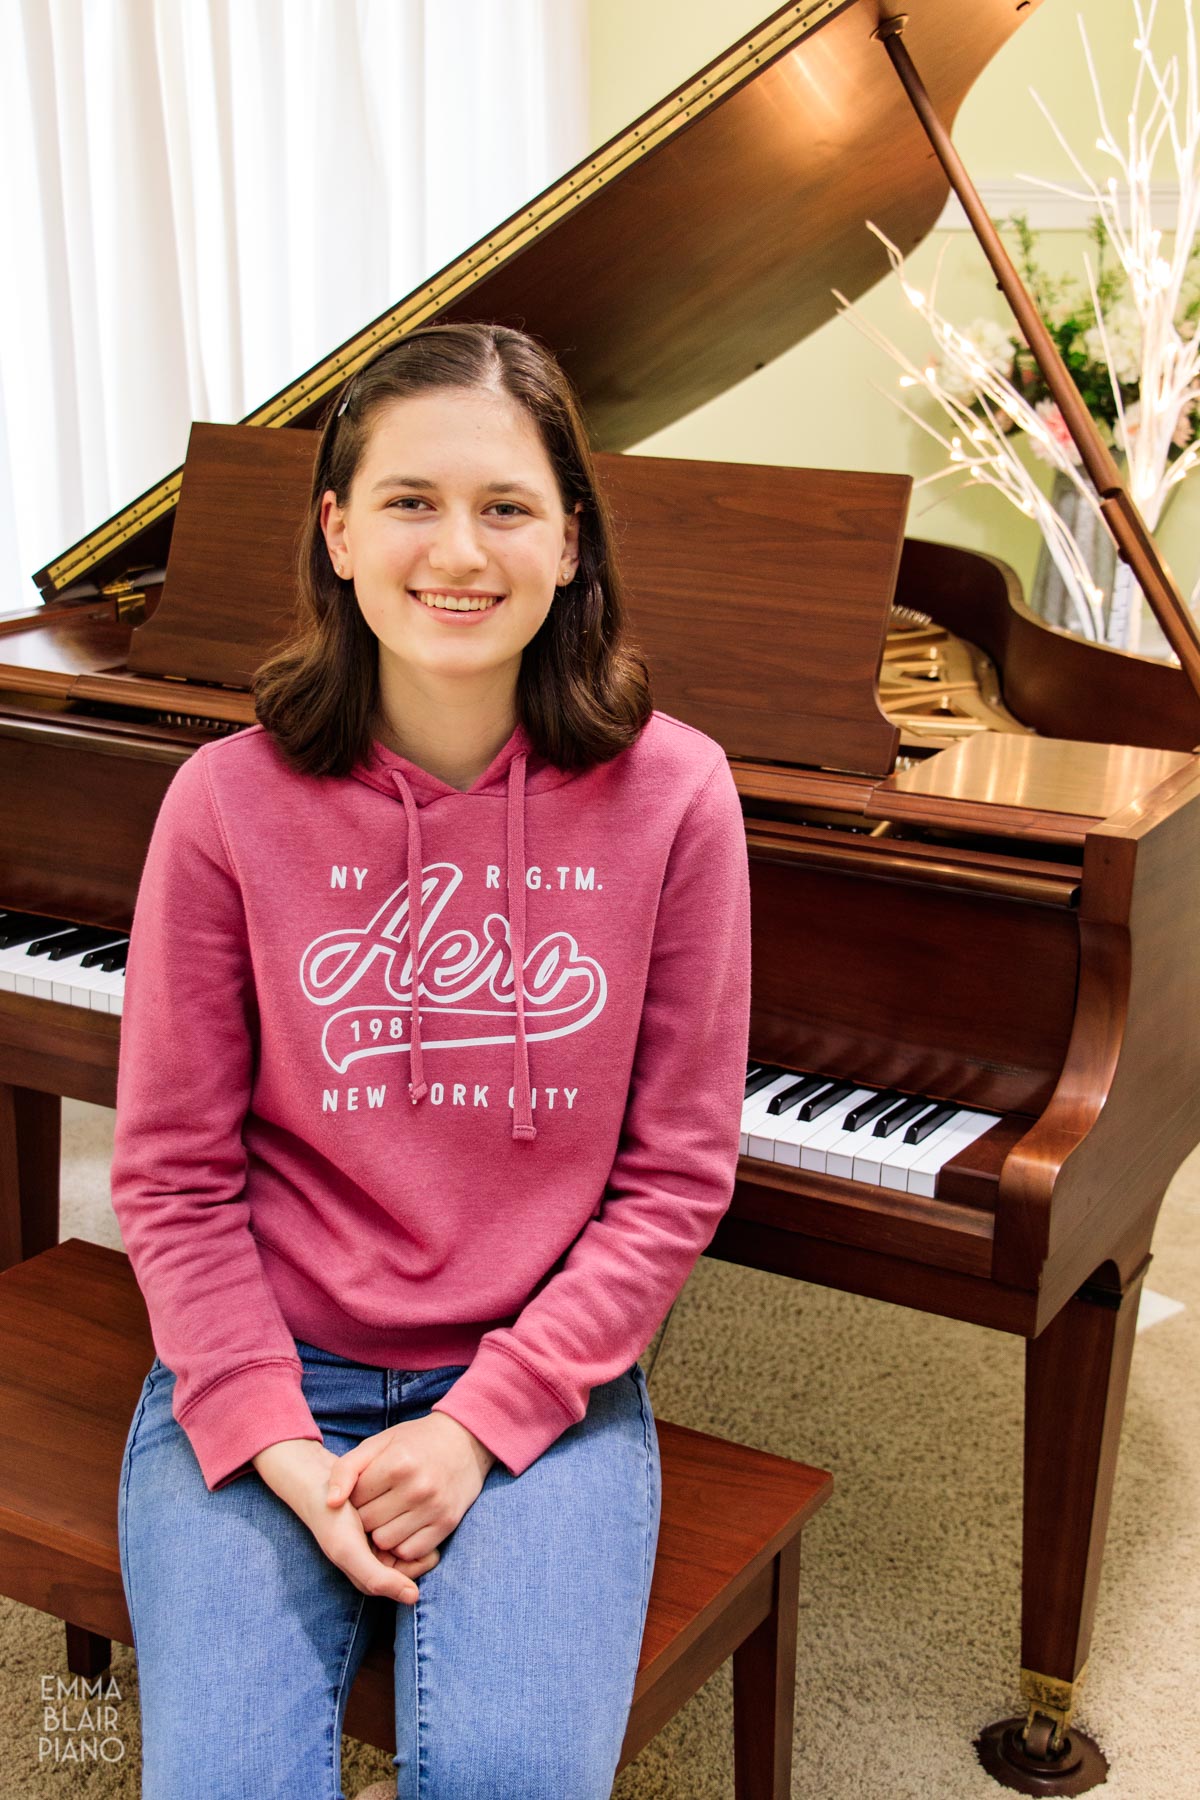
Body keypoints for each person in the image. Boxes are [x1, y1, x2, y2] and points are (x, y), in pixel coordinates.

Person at [111, 320, 752, 1800]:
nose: (457, 551)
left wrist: (481, 1423)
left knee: (515, 1777)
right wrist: (279, 1448)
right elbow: (172, 1178)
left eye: (507, 506)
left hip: (542, 1385)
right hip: (267, 1363)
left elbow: (672, 1180)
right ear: (335, 533)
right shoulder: (221, 804)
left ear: (572, 540)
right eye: (408, 501)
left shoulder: (678, 795)